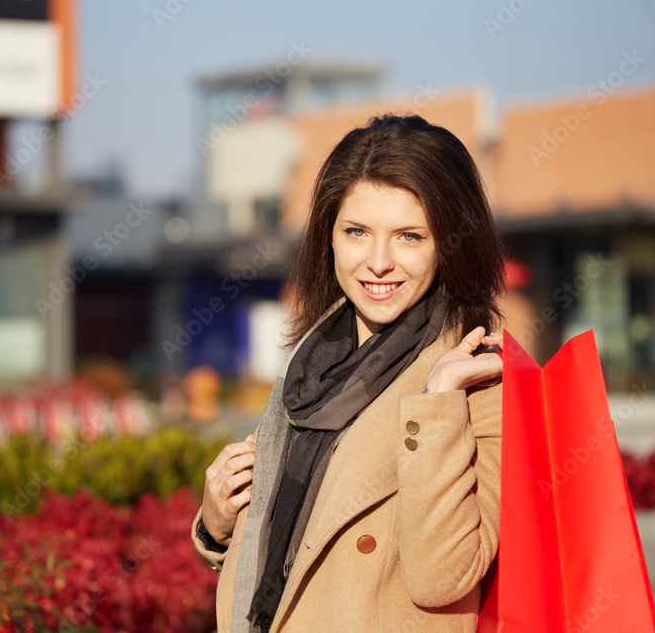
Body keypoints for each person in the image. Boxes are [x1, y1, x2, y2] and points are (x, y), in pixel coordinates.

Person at [191, 113, 506, 632]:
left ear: (449, 244)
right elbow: (289, 556)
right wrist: (215, 524)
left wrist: (439, 403)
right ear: (329, 236)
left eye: (409, 236)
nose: (378, 262)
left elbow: (443, 577)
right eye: (357, 231)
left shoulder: (479, 382)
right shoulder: (311, 364)